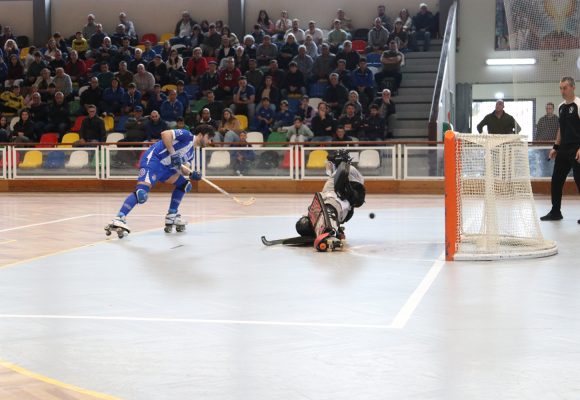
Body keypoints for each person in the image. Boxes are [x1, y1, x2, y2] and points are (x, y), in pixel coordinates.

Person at [105, 127, 211, 237]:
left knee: (184, 185)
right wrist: (173, 153)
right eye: (209, 138)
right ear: (201, 135)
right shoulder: (187, 135)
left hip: (165, 168)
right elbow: (165, 134)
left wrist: (191, 174)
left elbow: (183, 169)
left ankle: (172, 215)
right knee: (141, 193)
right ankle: (119, 218)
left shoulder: (191, 153)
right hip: (153, 160)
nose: (210, 141)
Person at [293, 150, 365, 251]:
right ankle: (328, 229)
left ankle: (329, 231)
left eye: (330, 164)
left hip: (337, 204)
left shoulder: (348, 170)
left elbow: (358, 198)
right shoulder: (338, 174)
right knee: (302, 225)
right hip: (328, 202)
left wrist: (349, 192)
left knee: (329, 207)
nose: (329, 167)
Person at [540, 77, 580, 223]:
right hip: (563, 149)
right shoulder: (561, 107)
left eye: (565, 88)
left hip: (576, 149)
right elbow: (561, 129)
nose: (562, 91)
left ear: (573, 87)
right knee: (556, 180)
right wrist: (555, 147)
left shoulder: (578, 104)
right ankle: (555, 212)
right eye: (561, 88)